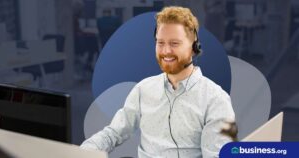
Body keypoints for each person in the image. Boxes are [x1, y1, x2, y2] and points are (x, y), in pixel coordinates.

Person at [80, 6, 235, 158]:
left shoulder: (215, 99)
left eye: (174, 43)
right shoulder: (143, 89)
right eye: (160, 43)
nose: (166, 51)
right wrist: (81, 152)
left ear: (194, 47)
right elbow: (113, 133)